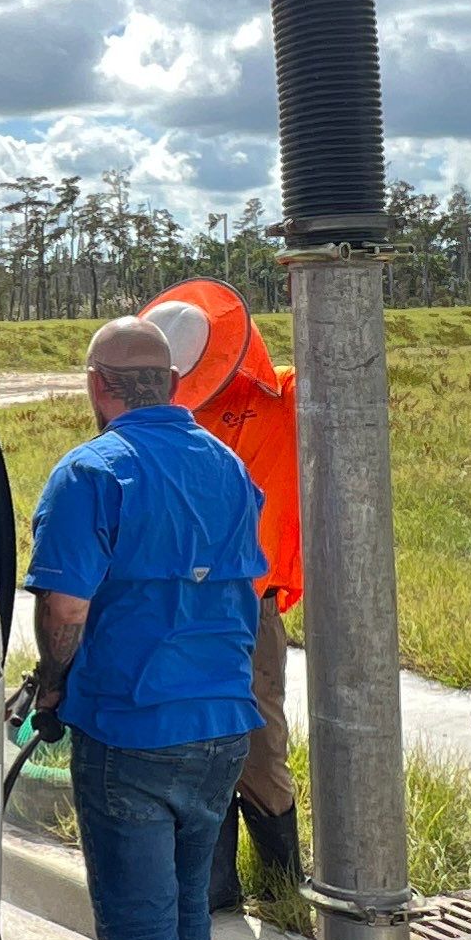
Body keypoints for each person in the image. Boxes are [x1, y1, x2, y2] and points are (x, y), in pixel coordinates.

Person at [16, 314, 266, 940]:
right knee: (186, 910)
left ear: (100, 386)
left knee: (139, 938)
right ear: (173, 384)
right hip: (223, 727)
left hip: (133, 733)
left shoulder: (93, 472)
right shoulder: (226, 466)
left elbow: (66, 613)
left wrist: (50, 689)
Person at [140, 279, 306, 904]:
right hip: (176, 611)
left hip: (250, 606)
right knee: (197, 746)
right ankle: (213, 892)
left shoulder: (282, 398)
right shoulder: (163, 414)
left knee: (261, 745)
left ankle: (284, 880)